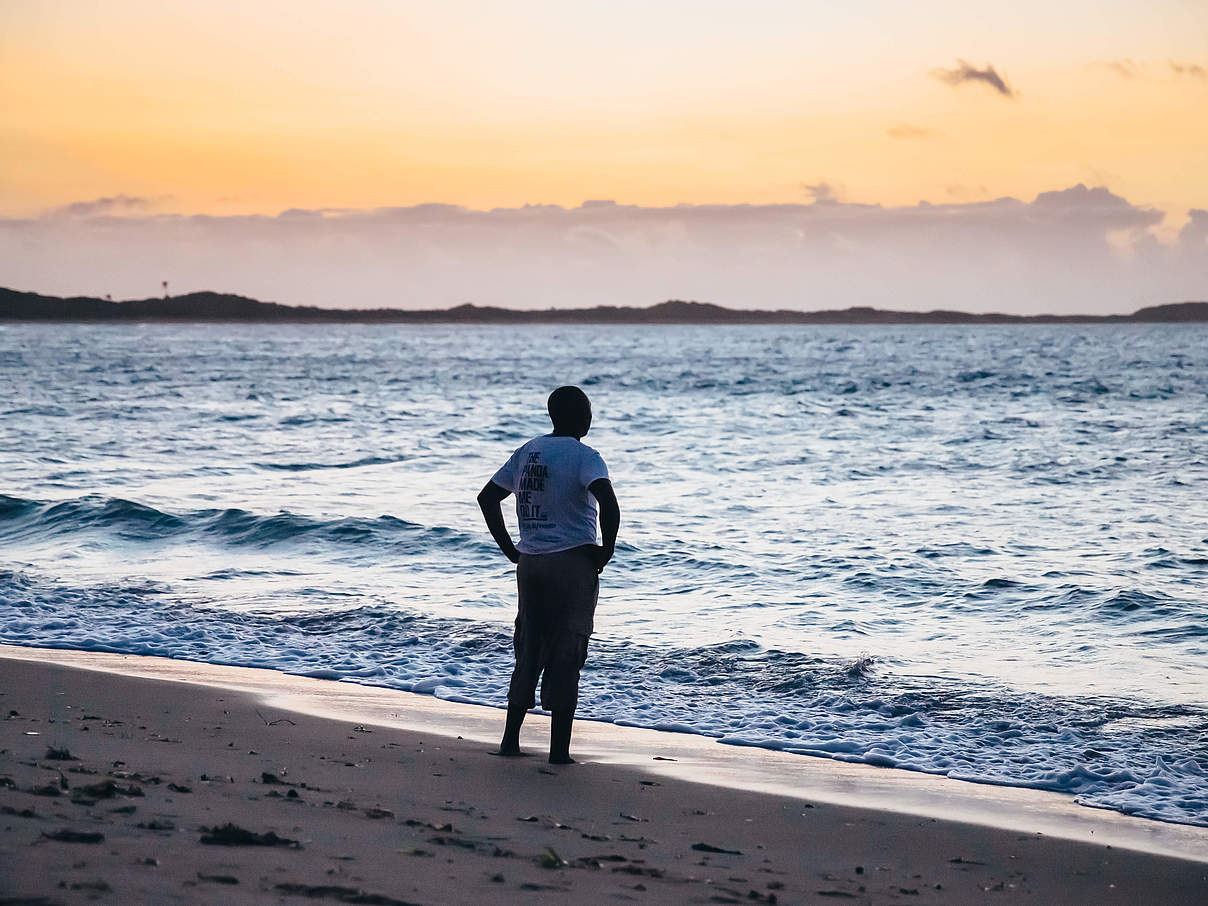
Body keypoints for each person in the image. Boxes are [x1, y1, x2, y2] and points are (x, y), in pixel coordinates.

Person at [477, 386, 620, 764]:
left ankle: (510, 741)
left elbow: (487, 498)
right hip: (571, 563)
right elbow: (608, 502)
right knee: (567, 651)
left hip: (532, 564)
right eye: (588, 411)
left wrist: (512, 550)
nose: (590, 418)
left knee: (528, 648)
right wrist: (605, 550)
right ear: (580, 418)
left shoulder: (528, 451)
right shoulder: (587, 457)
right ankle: (559, 752)